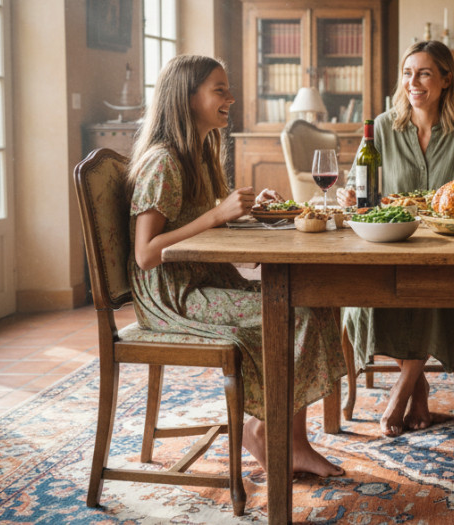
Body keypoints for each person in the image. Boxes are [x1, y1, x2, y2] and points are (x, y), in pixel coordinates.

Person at [128, 54, 346, 477]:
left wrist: (245, 213)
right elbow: (146, 253)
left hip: (206, 278)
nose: (232, 97)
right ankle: (264, 431)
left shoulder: (203, 152)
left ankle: (290, 441)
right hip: (177, 297)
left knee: (314, 300)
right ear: (188, 98)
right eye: (220, 89)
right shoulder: (163, 161)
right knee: (294, 312)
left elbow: (201, 222)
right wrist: (216, 215)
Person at [337, 40, 454, 437]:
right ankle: (419, 388)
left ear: (445, 79)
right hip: (390, 243)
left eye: (423, 73)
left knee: (434, 293)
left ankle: (401, 392)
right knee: (368, 297)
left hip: (446, 248)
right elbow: (357, 185)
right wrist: (351, 195)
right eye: (407, 73)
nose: (413, 82)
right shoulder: (383, 126)